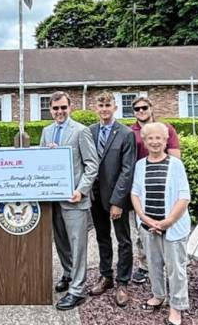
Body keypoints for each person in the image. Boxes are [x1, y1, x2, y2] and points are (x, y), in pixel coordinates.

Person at [40, 91, 99, 311]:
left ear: (69, 107)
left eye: (63, 107)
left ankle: (77, 290)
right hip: (53, 199)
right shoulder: (46, 132)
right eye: (55, 108)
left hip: (74, 199)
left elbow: (92, 165)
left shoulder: (81, 131)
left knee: (78, 245)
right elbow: (41, 163)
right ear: (50, 110)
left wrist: (81, 191)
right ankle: (68, 273)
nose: (59, 112)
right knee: (61, 242)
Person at [131, 123, 191, 325]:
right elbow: (135, 194)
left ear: (166, 141)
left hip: (173, 226)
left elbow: (184, 196)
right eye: (150, 138)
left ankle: (177, 306)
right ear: (145, 141)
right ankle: (158, 296)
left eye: (159, 138)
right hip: (149, 226)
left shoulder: (176, 164)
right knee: (154, 264)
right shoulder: (140, 165)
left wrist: (168, 221)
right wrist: (146, 219)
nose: (155, 142)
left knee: (176, 268)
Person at [87, 92, 136, 307]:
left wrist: (118, 201)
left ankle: (123, 282)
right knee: (102, 238)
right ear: (95, 108)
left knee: (123, 240)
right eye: (101, 105)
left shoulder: (125, 133)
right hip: (95, 196)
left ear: (115, 107)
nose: (104, 109)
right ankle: (105, 276)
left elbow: (127, 170)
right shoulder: (89, 131)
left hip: (116, 197)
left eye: (108, 105)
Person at [129, 96, 181, 284]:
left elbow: (175, 158)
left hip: (163, 186)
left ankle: (169, 265)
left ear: (151, 108)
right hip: (141, 187)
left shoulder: (166, 129)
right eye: (137, 109)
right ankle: (145, 266)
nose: (141, 111)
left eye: (144, 107)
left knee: (166, 227)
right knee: (143, 230)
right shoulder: (130, 131)